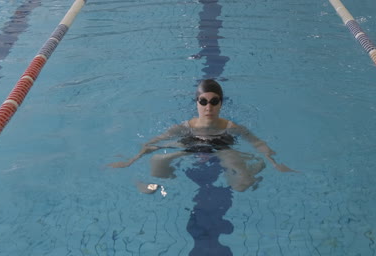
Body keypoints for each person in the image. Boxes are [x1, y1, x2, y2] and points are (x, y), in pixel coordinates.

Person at [109, 79, 294, 192]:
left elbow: (258, 143)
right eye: (203, 101)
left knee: (242, 184)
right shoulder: (184, 127)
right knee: (157, 160)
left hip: (222, 146)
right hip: (191, 143)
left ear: (221, 104)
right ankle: (156, 183)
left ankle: (251, 169)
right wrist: (130, 160)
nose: (208, 107)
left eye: (214, 101)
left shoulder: (231, 127)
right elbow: (153, 142)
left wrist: (274, 162)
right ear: (196, 103)